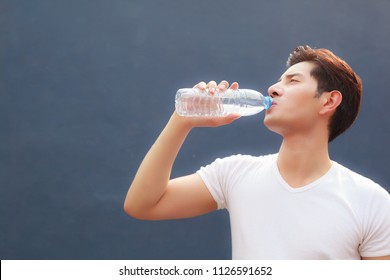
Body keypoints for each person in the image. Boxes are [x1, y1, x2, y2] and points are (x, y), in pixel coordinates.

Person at [124, 45, 390, 260]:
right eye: (278, 81)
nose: (273, 89)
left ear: (329, 101)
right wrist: (182, 120)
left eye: (293, 81)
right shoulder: (234, 173)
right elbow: (143, 204)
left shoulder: (372, 202)